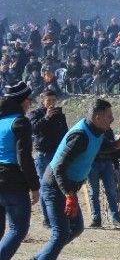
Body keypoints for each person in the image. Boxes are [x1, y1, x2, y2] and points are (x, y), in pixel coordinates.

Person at [29, 99, 120, 260]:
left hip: (67, 188)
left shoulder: (96, 131)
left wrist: (116, 145)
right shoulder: (80, 135)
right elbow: (58, 168)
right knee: (61, 232)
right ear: (97, 117)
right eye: (109, 116)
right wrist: (69, 195)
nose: (112, 119)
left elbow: (99, 147)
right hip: (55, 187)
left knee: (77, 228)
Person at [0, 82, 40, 260]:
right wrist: (34, 186)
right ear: (23, 101)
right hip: (12, 180)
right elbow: (24, 158)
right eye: (29, 100)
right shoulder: (20, 122)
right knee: (17, 229)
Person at [27, 90, 67, 228]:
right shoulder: (35, 114)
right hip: (43, 155)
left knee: (59, 186)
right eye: (48, 100)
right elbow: (34, 129)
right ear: (42, 100)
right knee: (45, 187)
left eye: (53, 100)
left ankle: (59, 216)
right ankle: (47, 218)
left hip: (58, 155)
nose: (51, 103)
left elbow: (64, 133)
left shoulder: (59, 114)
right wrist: (46, 117)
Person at [86, 121, 120, 229]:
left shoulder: (108, 131)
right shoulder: (89, 131)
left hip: (107, 163)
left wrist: (116, 167)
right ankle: (96, 219)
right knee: (94, 193)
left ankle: (116, 218)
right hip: (93, 164)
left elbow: (114, 149)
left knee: (111, 192)